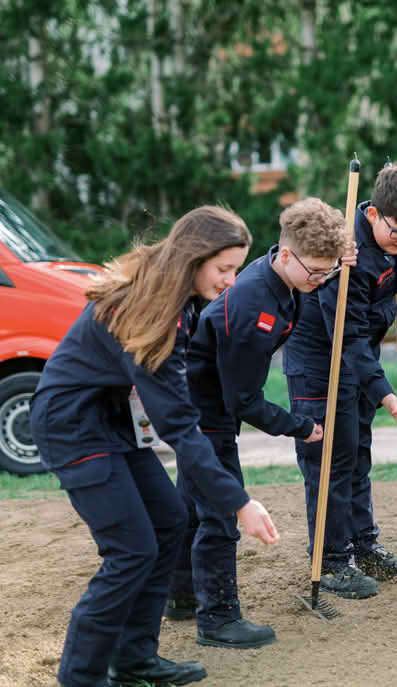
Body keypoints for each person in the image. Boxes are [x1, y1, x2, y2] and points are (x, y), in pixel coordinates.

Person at [29, 206, 279, 687]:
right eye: (224, 269)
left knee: (169, 520)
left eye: (236, 269)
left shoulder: (180, 301)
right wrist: (239, 503)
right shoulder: (147, 309)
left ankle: (134, 658)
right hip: (71, 425)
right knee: (130, 549)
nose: (231, 281)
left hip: (115, 422)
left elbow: (174, 415)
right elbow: (181, 427)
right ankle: (80, 676)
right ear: (192, 257)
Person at [164, 198, 354, 648]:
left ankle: (181, 594)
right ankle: (219, 619)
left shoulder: (286, 278)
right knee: (221, 511)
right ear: (285, 255)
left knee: (190, 505)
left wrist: (332, 266)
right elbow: (244, 400)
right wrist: (298, 425)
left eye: (329, 273)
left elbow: (240, 394)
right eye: (316, 272)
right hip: (204, 410)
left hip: (211, 401)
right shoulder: (253, 308)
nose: (321, 281)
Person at [284, 161, 397, 599]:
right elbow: (347, 340)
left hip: (357, 360)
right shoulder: (345, 254)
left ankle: (363, 548)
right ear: (372, 214)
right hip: (321, 364)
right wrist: (388, 397)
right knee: (330, 462)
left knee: (357, 453)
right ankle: (330, 562)